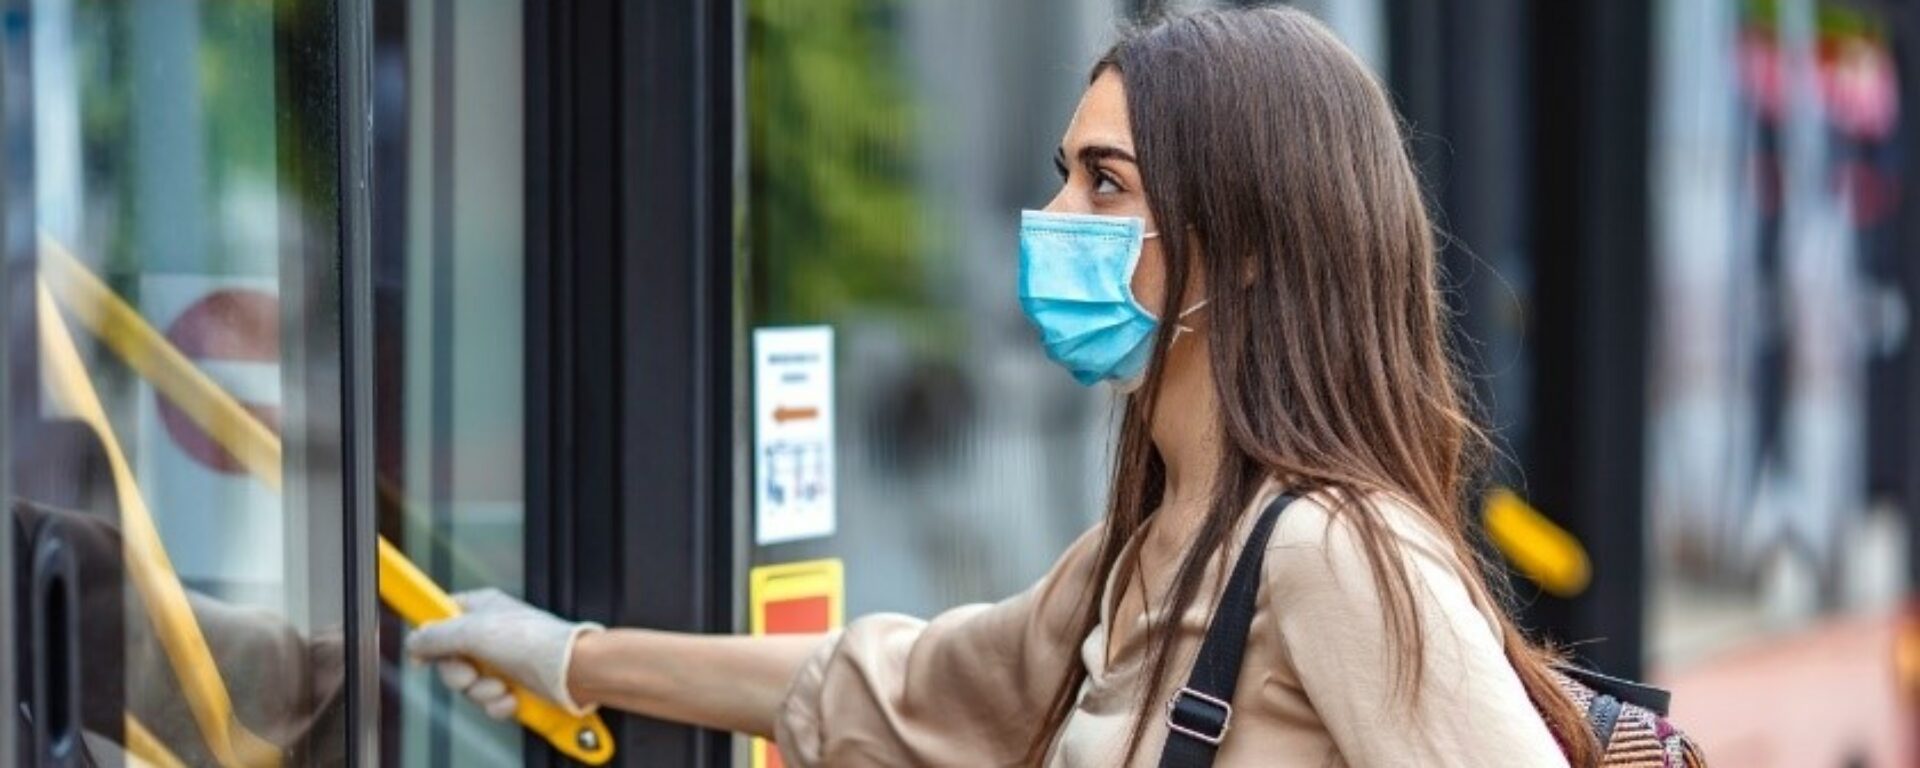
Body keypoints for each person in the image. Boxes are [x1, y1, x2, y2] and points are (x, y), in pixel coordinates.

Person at [407, 7, 1597, 766]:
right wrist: (571, 659)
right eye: (1061, 174)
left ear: (1245, 242)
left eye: (1103, 183)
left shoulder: (1331, 552)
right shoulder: (1139, 556)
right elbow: (890, 687)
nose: (1053, 219)